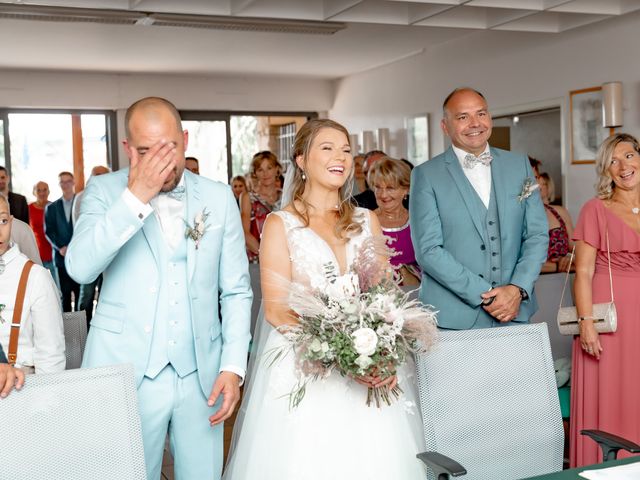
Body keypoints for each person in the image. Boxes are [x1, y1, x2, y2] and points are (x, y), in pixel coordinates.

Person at [224, 119, 426, 480]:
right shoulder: (280, 224)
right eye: (328, 148)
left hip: (370, 366)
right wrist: (342, 355)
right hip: (306, 370)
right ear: (301, 160)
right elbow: (275, 309)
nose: (341, 157)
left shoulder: (367, 220)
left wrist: (380, 355)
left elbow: (384, 296)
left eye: (346, 149)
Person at [65, 97, 252, 480]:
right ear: (128, 149)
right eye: (147, 151)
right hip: (124, 369)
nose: (161, 162)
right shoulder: (102, 192)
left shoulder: (217, 197)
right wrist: (136, 197)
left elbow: (235, 291)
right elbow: (80, 268)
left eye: (169, 148)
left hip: (202, 374)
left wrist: (233, 367)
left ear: (185, 140)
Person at [410, 87, 548, 329]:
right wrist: (486, 293)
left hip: (515, 311)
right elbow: (429, 250)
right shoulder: (425, 175)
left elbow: (536, 234)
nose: (475, 123)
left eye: (481, 114)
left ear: (490, 118)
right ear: (445, 126)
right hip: (453, 316)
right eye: (463, 117)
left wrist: (517, 289)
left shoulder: (519, 165)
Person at [570, 133, 640, 467]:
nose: (623, 166)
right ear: (605, 171)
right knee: (612, 395)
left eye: (628, 155)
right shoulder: (595, 209)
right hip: (608, 317)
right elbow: (582, 273)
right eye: (613, 161)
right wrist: (586, 325)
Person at [0, 194, 65, 375]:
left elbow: (51, 354)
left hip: (22, 387)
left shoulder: (35, 277)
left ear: (11, 222)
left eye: (3, 221)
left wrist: (46, 400)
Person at [369, 156, 420, 285]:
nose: (383, 195)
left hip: (417, 290)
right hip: (378, 294)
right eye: (378, 187)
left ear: (406, 189)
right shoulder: (365, 221)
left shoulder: (419, 220)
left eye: (390, 188)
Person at [72, 165, 111, 327]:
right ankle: (81, 335)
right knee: (85, 297)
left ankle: (100, 332)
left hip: (110, 257)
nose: (100, 178)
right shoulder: (81, 198)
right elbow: (78, 227)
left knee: (106, 296)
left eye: (103, 175)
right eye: (97, 175)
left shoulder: (114, 195)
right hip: (90, 255)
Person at [45, 171, 79, 312]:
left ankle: (81, 330)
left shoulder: (82, 203)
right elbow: (49, 231)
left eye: (68, 181)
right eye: (62, 182)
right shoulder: (51, 208)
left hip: (79, 256)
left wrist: (75, 247)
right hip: (61, 257)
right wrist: (60, 248)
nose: (65, 185)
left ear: (73, 182)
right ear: (59, 184)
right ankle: (68, 331)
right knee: (64, 296)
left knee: (80, 295)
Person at [239, 151, 282, 262]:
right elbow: (244, 232)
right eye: (260, 170)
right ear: (255, 173)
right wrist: (265, 256)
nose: (265, 174)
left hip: (284, 260)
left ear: (277, 169)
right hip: (257, 261)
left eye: (269, 168)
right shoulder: (248, 197)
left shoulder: (286, 196)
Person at [538, 172, 574, 273]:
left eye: (543, 183)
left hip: (564, 276)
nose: (539, 184)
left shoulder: (560, 212)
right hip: (533, 280)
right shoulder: (516, 216)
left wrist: (572, 258)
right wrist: (557, 266)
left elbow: (575, 247)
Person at [29, 181, 56, 280]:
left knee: (57, 289)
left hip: (54, 254)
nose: (42, 193)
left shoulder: (55, 207)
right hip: (36, 255)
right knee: (40, 286)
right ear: (34, 192)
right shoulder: (28, 209)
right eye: (38, 190)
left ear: (49, 191)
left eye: (44, 190)